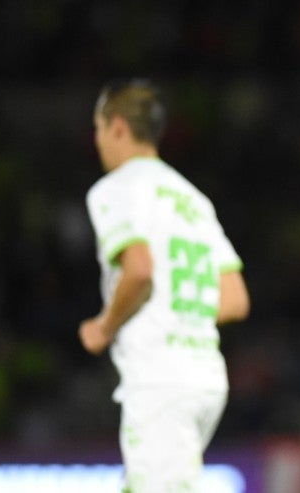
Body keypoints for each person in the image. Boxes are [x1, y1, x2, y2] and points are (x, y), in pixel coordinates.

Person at [79, 79, 250, 492]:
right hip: (205, 378)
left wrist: (104, 326)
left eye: (97, 128)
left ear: (117, 127)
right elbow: (234, 299)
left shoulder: (115, 188)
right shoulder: (194, 199)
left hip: (159, 380)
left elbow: (139, 269)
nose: (97, 139)